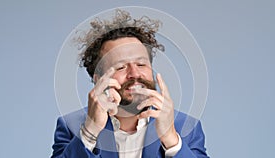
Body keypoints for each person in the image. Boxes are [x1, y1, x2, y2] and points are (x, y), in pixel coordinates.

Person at [51, 9, 209, 158]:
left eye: (141, 64)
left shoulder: (186, 127)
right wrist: (90, 131)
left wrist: (171, 140)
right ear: (99, 80)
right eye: (120, 67)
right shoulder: (71, 126)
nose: (135, 74)